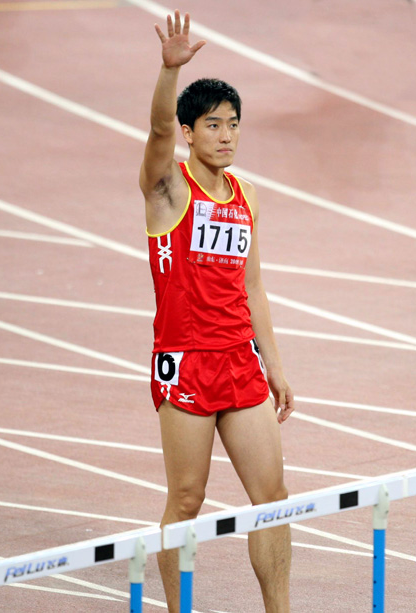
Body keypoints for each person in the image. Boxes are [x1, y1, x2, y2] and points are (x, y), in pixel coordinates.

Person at [139, 10, 295, 613]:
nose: (226, 136)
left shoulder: (246, 196)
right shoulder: (169, 189)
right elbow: (156, 130)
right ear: (189, 132)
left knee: (273, 498)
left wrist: (273, 365)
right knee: (186, 500)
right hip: (185, 362)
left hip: (238, 362)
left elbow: (252, 288)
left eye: (233, 125)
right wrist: (168, 71)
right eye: (212, 125)